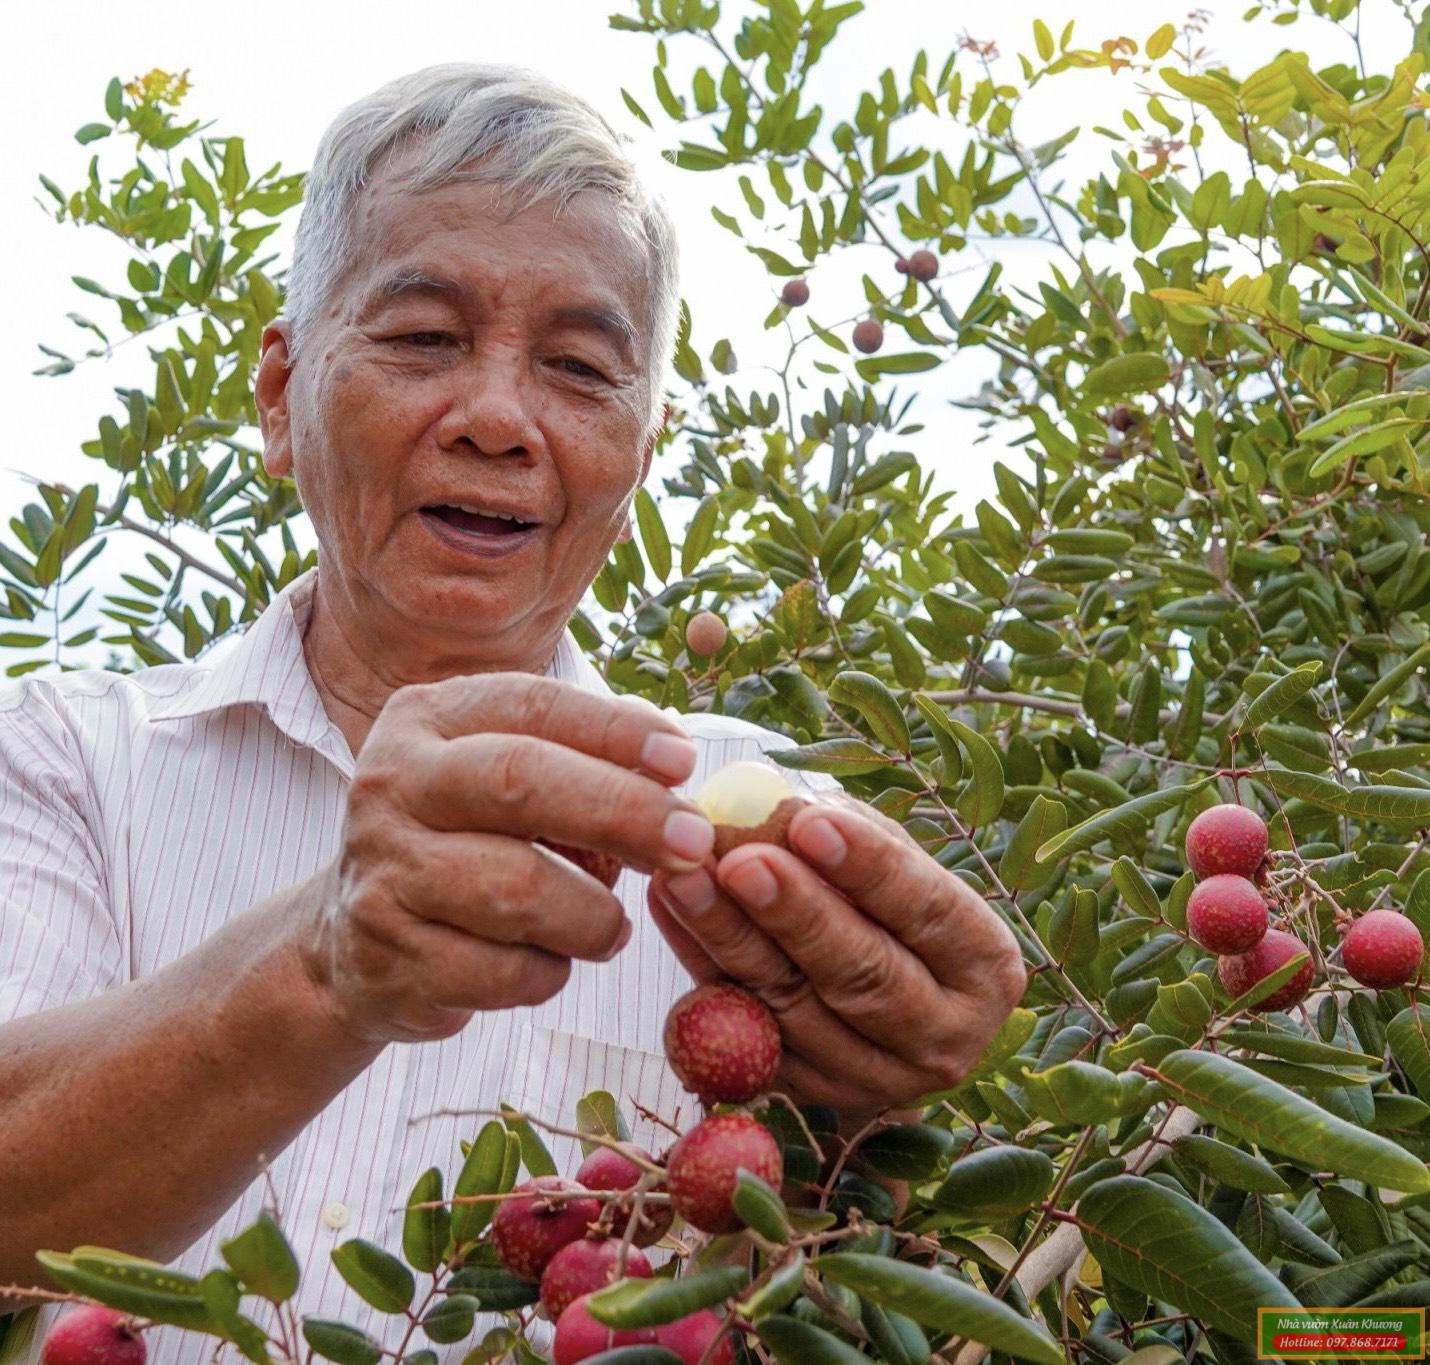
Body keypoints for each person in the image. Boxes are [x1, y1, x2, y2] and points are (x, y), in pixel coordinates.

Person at [0, 63, 1026, 1360]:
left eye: (581, 366)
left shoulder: (756, 852)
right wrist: (325, 962)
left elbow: (832, 1268)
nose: (496, 417)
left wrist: (869, 1100)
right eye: (423, 337)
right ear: (279, 393)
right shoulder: (58, 760)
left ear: (640, 449)